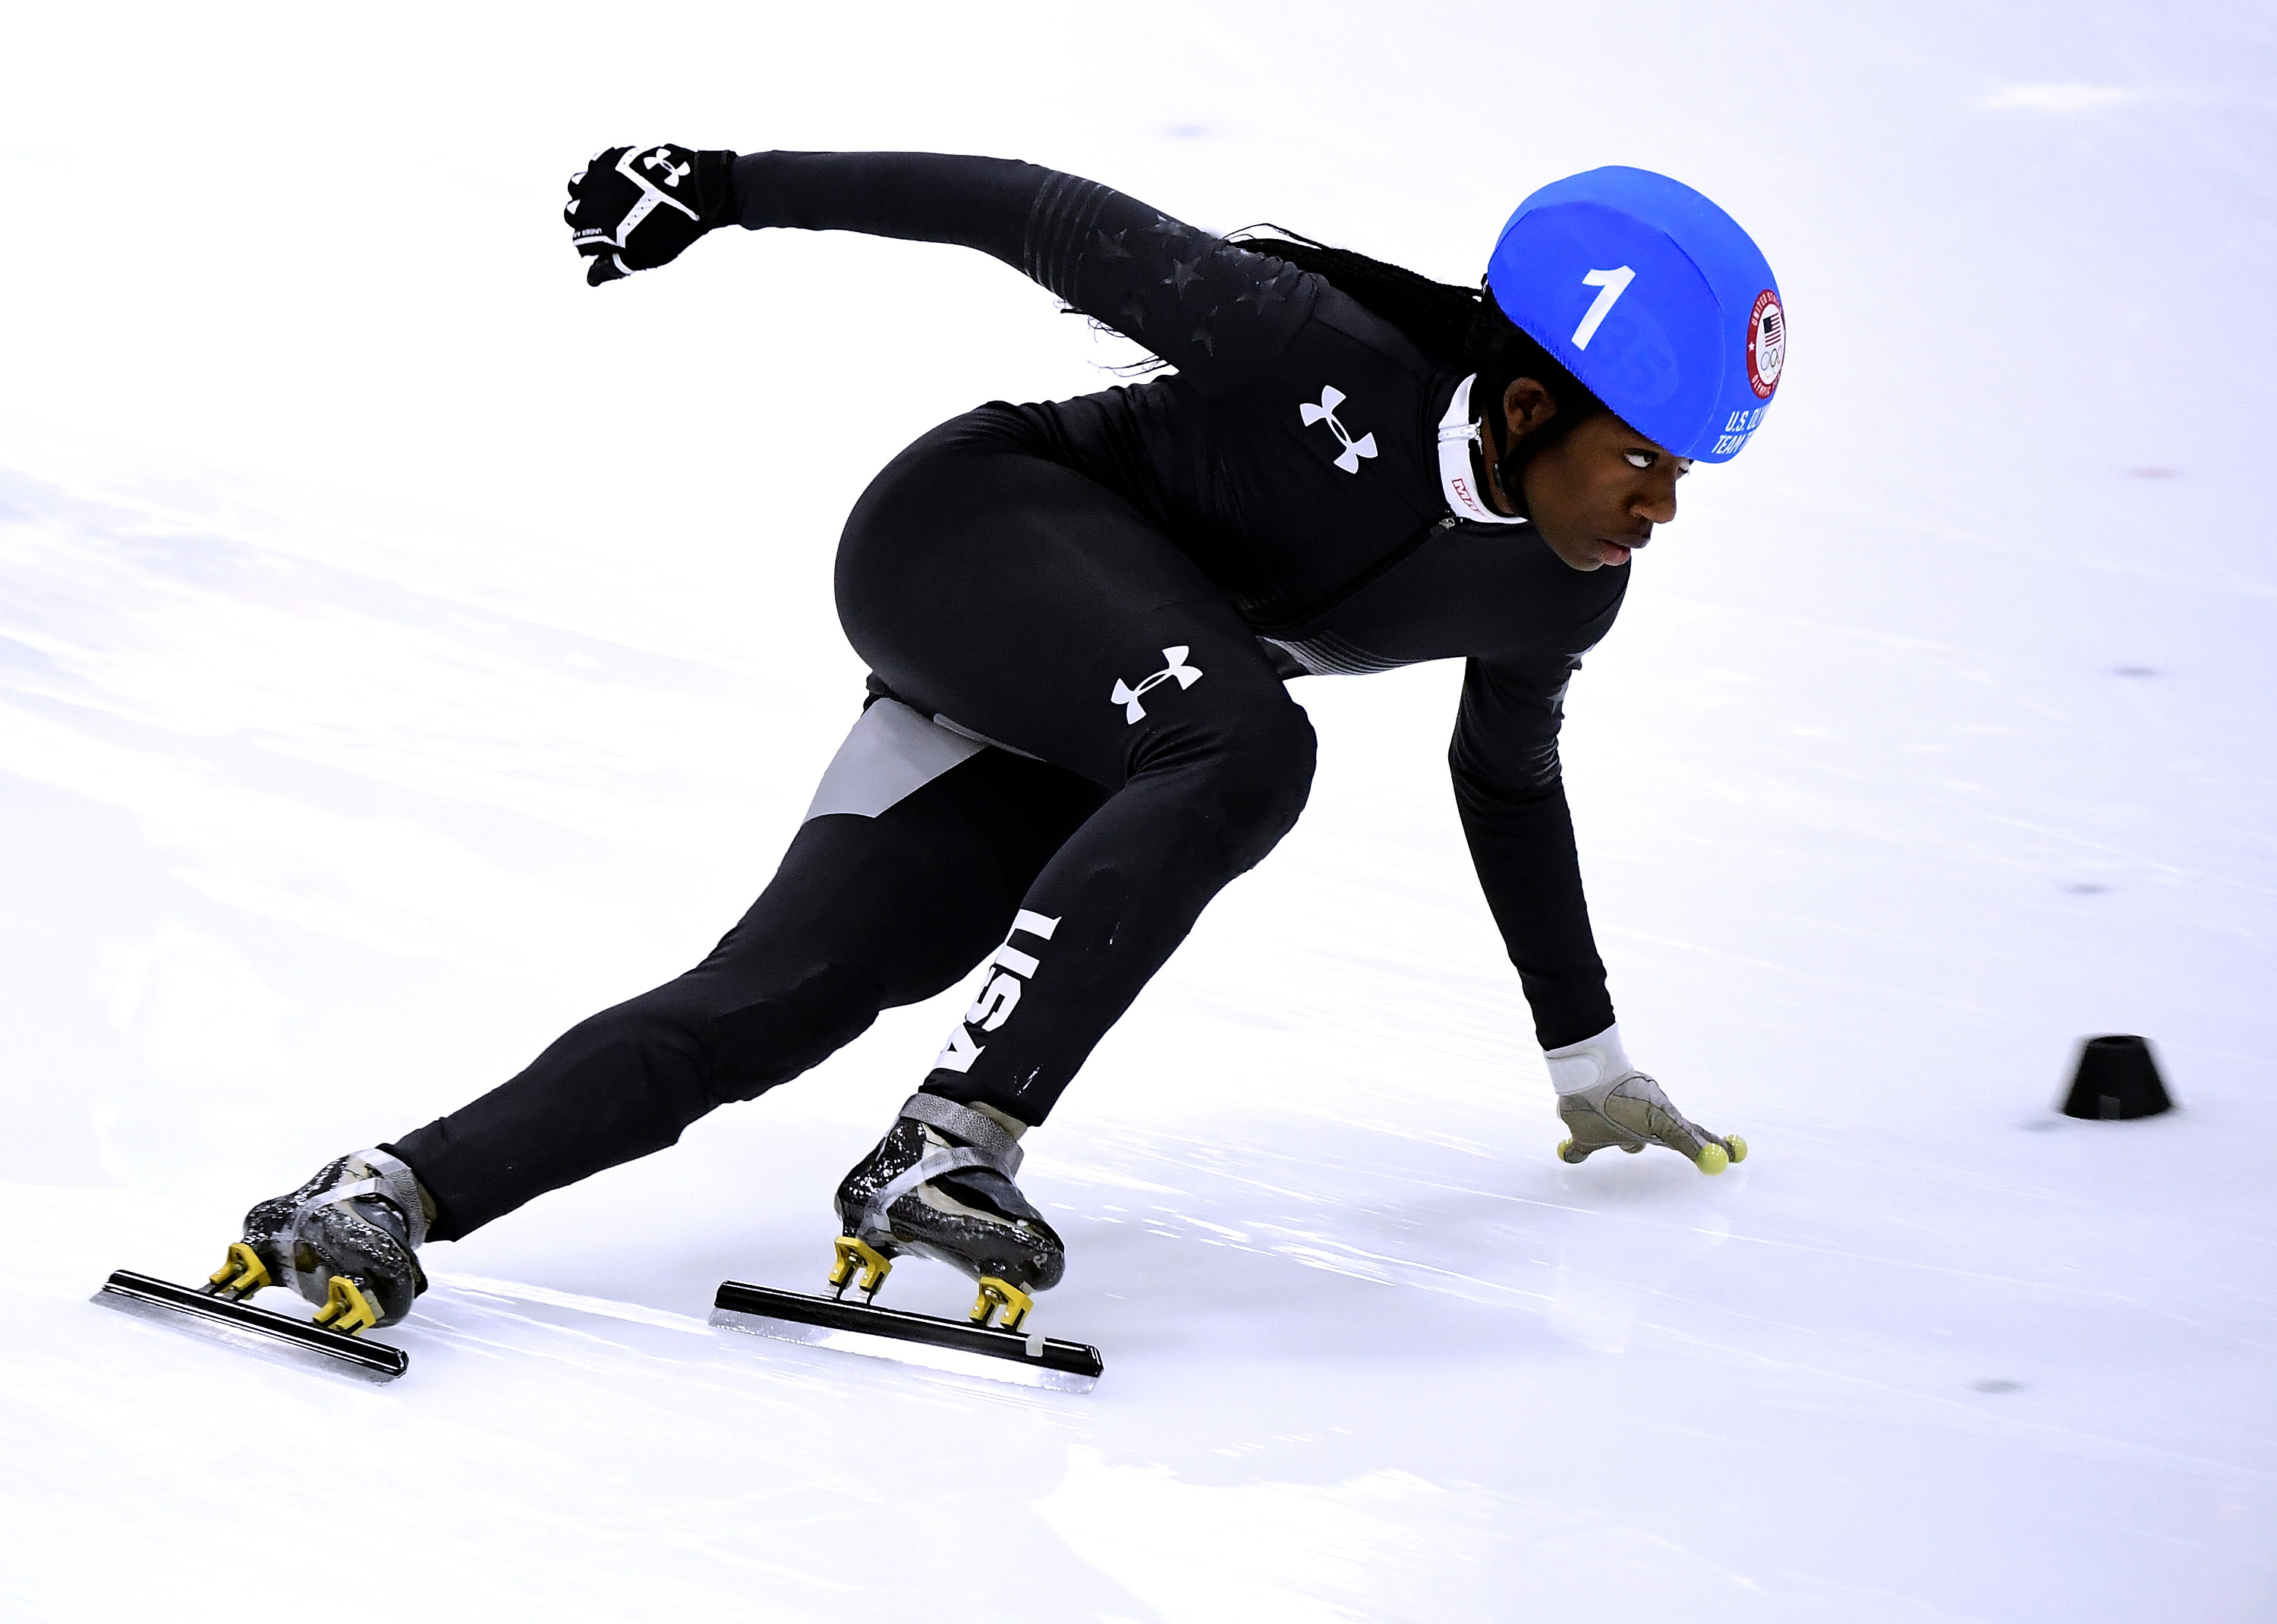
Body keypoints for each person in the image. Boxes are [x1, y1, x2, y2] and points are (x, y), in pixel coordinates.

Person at [208, 144, 1783, 1339]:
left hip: (1099, 720)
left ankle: (373, 1194)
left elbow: (1506, 781)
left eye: (1685, 479)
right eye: (1640, 459)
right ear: (1521, 409)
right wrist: (729, 187)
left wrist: (1588, 1061)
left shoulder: (1562, 597)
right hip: (966, 538)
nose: (1659, 509)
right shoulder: (1298, 341)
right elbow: (1022, 207)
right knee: (1251, 742)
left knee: (780, 999)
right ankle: (951, 1144)